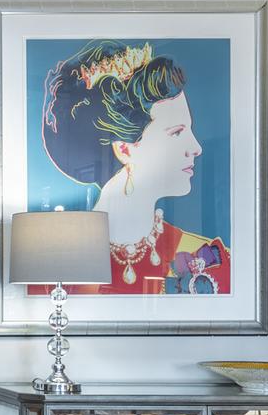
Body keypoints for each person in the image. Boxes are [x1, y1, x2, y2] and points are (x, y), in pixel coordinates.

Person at [39, 40, 229, 294]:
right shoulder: (57, 267)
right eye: (177, 132)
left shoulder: (206, 258)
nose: (196, 148)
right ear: (125, 149)